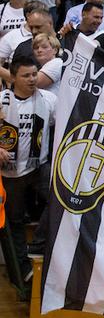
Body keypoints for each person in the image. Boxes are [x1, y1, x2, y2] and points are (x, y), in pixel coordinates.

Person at [0, 57, 58, 283]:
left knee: (60, 199)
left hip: (38, 167)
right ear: (13, 78)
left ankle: (38, 244)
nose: (32, 79)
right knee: (14, 221)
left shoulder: (49, 99)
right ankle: (22, 270)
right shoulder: (2, 101)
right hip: (9, 173)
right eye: (26, 75)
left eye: (34, 74)